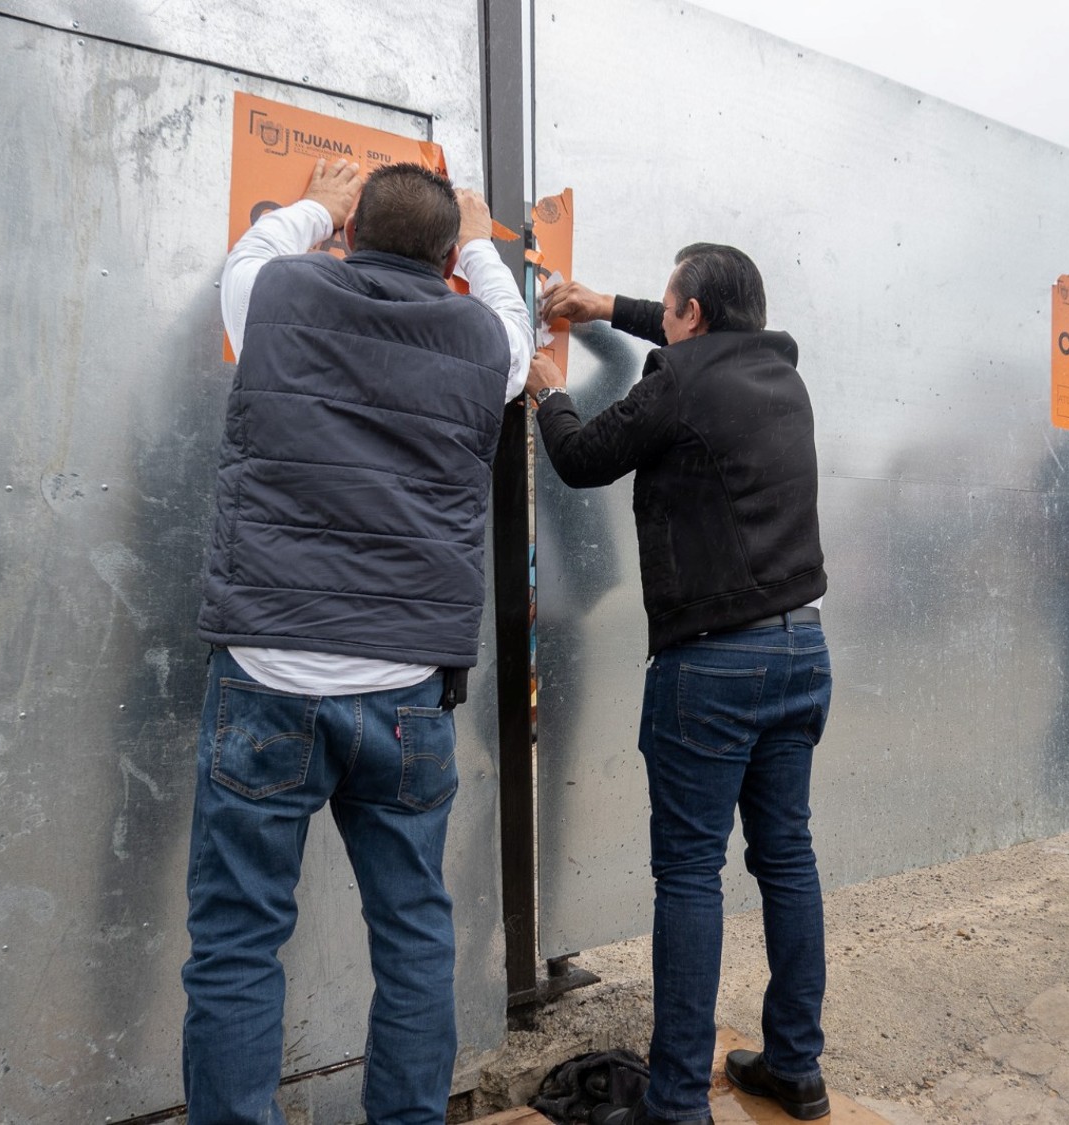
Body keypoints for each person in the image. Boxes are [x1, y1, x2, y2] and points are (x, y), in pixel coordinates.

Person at [182, 157, 531, 1125]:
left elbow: (245, 256)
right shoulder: (482, 342)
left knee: (238, 942)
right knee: (414, 935)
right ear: (447, 259)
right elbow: (515, 326)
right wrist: (481, 242)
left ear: (349, 234)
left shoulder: (279, 296)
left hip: (267, 671)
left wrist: (311, 204)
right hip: (406, 690)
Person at [528, 247, 834, 1124]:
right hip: (801, 649)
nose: (659, 320)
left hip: (712, 664)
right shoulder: (781, 375)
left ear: (691, 315)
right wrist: (605, 306)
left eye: (666, 307)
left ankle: (674, 1105)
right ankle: (795, 1066)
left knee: (691, 875)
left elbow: (582, 458)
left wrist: (550, 390)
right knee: (786, 857)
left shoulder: (680, 380)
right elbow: (689, 341)